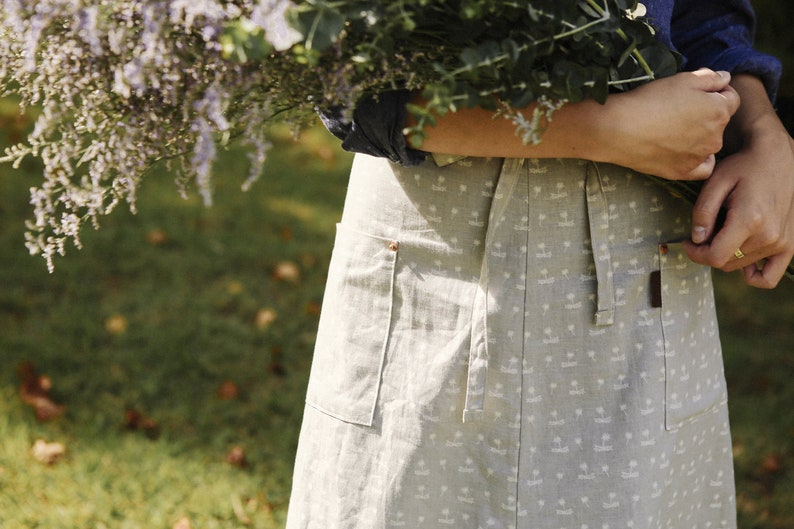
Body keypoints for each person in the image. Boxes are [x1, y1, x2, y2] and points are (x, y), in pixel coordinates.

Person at [286, 1, 794, 528]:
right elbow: (346, 81)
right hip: (435, 259)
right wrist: (605, 127)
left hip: (641, 265)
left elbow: (703, 16)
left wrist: (764, 135)